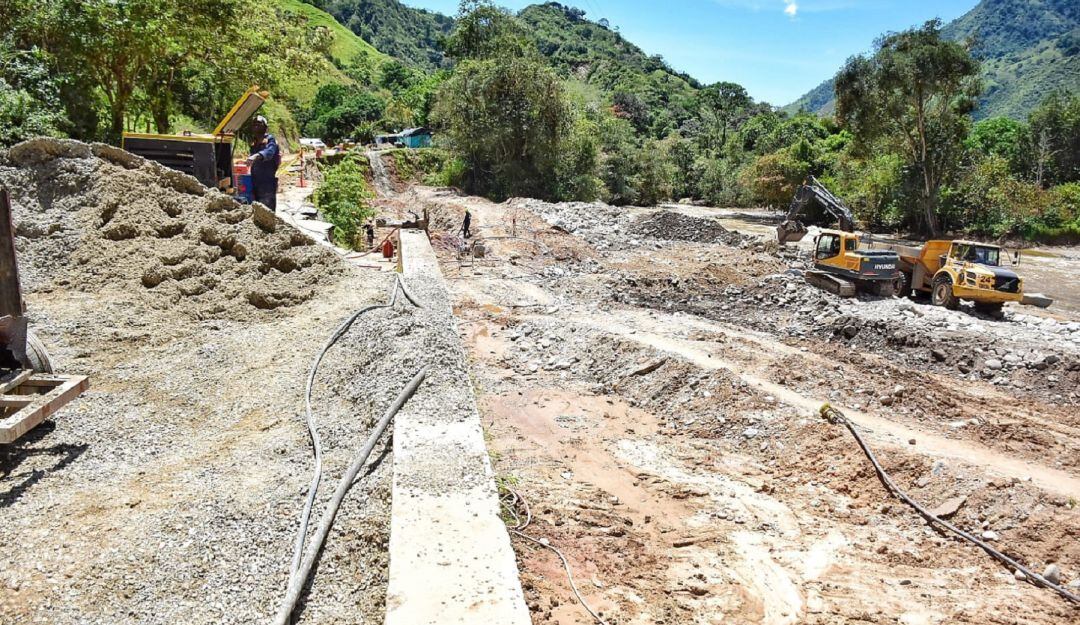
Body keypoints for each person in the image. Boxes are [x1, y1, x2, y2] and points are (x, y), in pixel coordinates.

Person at [246, 115, 280, 211]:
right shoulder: (254, 142)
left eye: (259, 124)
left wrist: (256, 156)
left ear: (265, 127)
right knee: (256, 208)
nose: (256, 126)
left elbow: (269, 152)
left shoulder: (270, 140)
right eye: (254, 124)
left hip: (267, 181)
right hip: (255, 180)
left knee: (267, 209)